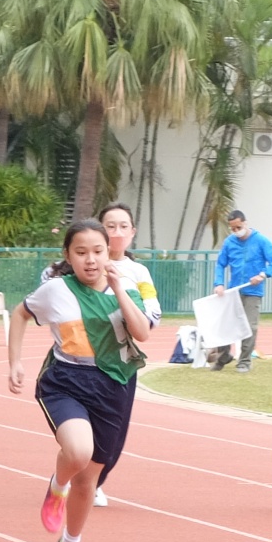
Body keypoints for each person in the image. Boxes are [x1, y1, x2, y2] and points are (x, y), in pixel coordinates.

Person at [7, 219, 152, 542]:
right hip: (67, 381)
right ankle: (57, 487)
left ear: (108, 254)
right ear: (68, 256)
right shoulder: (56, 290)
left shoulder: (125, 286)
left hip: (113, 385)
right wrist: (15, 361)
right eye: (81, 252)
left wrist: (117, 290)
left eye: (98, 251)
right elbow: (20, 313)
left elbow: (142, 333)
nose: (90, 260)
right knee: (78, 451)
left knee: (89, 480)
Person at [91, 202, 161, 508]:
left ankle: (95, 481)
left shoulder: (139, 272)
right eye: (110, 226)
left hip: (122, 361)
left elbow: (153, 313)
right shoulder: (88, 263)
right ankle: (77, 476)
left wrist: (132, 314)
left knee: (115, 433)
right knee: (82, 428)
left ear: (133, 232)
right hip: (86, 358)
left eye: (123, 226)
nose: (117, 232)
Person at [211, 209, 272, 372]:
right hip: (233, 290)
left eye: (238, 227)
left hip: (253, 291)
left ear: (245, 223)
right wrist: (219, 283)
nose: (236, 231)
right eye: (233, 228)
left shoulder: (261, 240)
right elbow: (220, 264)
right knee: (225, 324)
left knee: (249, 326)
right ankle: (224, 355)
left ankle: (244, 361)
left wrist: (263, 275)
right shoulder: (229, 242)